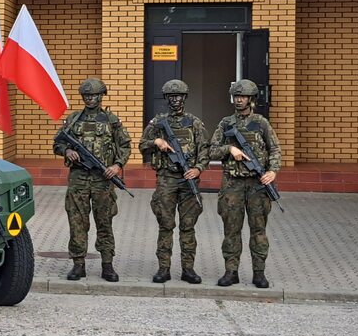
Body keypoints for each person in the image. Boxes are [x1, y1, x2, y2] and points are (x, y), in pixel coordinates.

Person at [53, 78, 131, 282]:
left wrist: (117, 166)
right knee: (77, 222)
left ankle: (107, 265)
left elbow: (125, 145)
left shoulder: (112, 120)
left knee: (104, 222)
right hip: (78, 179)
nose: (90, 99)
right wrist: (67, 150)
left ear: (101, 96)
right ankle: (78, 265)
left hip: (103, 181)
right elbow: (57, 143)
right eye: (87, 96)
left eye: (94, 95)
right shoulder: (73, 120)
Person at [209, 79, 281, 289]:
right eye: (236, 96)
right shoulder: (226, 124)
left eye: (243, 97)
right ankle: (231, 272)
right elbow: (211, 150)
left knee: (258, 231)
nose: (239, 100)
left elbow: (275, 149)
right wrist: (229, 150)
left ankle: (259, 273)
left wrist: (272, 171)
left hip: (257, 186)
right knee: (231, 230)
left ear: (251, 99)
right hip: (233, 184)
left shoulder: (261, 123)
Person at [138, 79, 208, 285]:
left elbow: (205, 149)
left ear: (184, 98)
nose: (175, 100)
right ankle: (164, 268)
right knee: (165, 225)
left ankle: (188, 269)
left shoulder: (194, 123)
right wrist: (156, 142)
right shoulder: (158, 123)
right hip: (166, 179)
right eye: (171, 96)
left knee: (188, 227)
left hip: (188, 181)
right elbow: (142, 145)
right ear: (166, 98)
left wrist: (198, 169)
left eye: (179, 96)